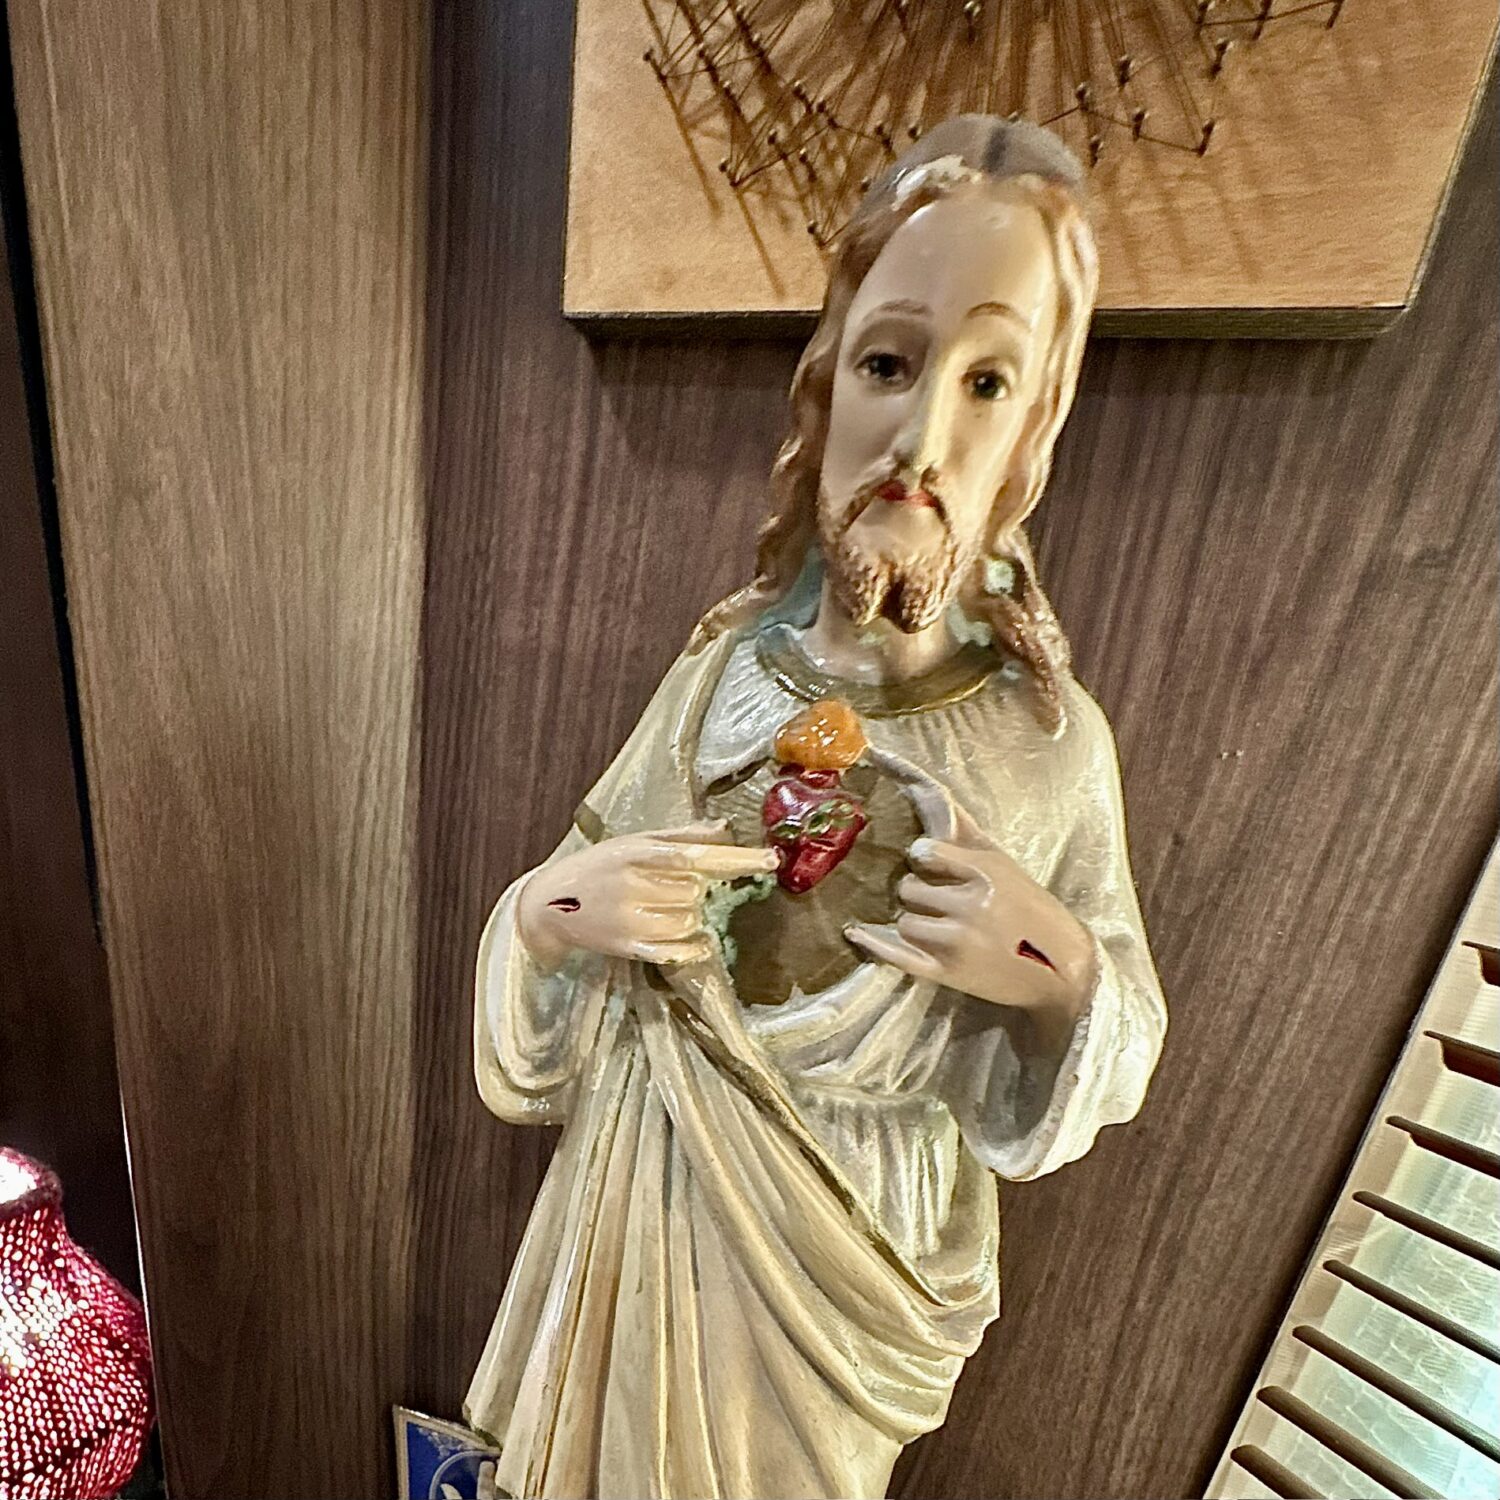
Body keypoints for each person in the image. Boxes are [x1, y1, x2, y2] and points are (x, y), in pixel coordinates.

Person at [464, 115, 1167, 1500]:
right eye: (890, 364)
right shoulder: (725, 670)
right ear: (828, 385)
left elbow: (1124, 1021)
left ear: (1034, 426)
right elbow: (563, 893)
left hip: (853, 1252)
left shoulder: (1047, 744)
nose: (920, 437)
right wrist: (552, 913)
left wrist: (1057, 974)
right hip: (655, 1173)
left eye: (986, 382)